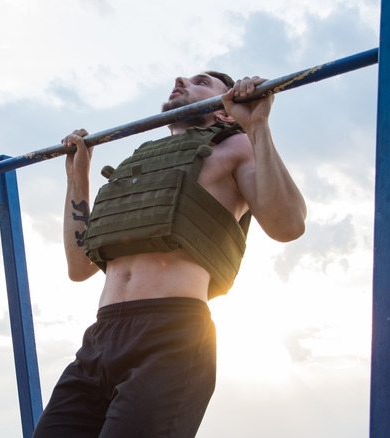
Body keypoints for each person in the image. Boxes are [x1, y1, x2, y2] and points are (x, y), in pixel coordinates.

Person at [32, 72, 307, 437]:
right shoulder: (138, 165)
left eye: (203, 82)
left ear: (226, 111)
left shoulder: (235, 146)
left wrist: (257, 126)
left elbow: (288, 225)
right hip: (100, 337)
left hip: (171, 335)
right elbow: (79, 267)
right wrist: (76, 177)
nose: (181, 79)